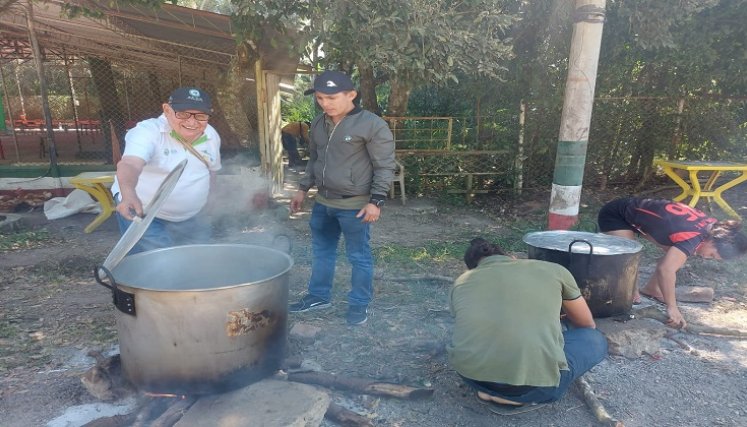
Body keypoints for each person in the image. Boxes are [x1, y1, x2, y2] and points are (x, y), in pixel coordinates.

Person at [449, 238, 608, 414]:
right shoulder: (554, 270)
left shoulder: (462, 282)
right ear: (512, 257)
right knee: (595, 339)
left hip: (472, 377)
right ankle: (513, 397)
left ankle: (488, 391)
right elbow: (585, 324)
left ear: (473, 269)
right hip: (535, 388)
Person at [288, 70, 396, 325]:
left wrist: (376, 200)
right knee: (322, 252)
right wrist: (303, 189)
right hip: (323, 203)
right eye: (320, 98)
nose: (325, 103)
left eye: (331, 97)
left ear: (351, 95)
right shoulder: (317, 123)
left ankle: (359, 304)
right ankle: (318, 295)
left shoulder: (371, 124)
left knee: (359, 256)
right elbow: (314, 160)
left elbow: (384, 166)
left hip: (355, 206)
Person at [598, 197, 747, 329]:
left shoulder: (711, 226)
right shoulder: (694, 237)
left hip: (633, 212)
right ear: (713, 241)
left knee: (677, 258)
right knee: (627, 261)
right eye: (713, 255)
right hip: (616, 214)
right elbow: (666, 270)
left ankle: (651, 289)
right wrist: (672, 307)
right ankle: (622, 295)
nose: (708, 258)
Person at [111, 87, 221, 254]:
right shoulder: (148, 132)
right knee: (158, 265)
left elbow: (212, 170)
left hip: (193, 216)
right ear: (167, 110)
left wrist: (211, 199)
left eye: (200, 116)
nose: (192, 122)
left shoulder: (211, 135)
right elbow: (130, 164)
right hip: (145, 214)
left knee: (197, 260)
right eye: (183, 114)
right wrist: (128, 194)